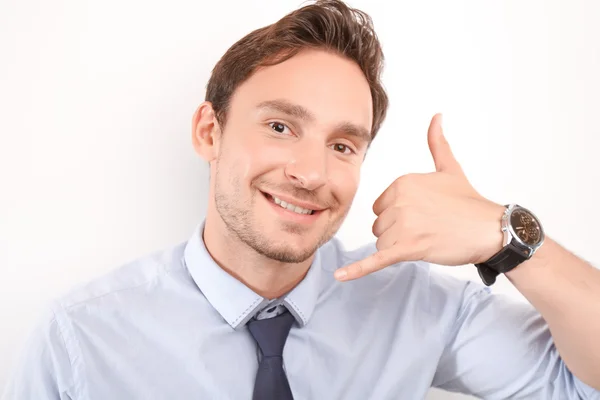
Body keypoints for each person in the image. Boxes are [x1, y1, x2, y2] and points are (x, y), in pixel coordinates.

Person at [3, 0, 600, 399]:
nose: (311, 173)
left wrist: (510, 238)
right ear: (209, 132)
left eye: (343, 145)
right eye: (281, 127)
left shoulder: (417, 308)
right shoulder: (80, 339)